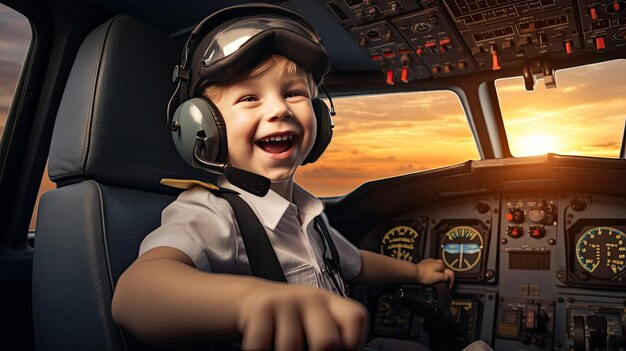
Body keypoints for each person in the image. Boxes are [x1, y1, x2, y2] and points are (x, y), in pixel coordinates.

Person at [111, 3, 454, 350]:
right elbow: (135, 293)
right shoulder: (212, 212)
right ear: (203, 127)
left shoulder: (310, 214)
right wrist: (249, 301)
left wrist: (418, 273)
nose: (279, 109)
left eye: (294, 93)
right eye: (249, 97)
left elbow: (356, 264)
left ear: (320, 119)